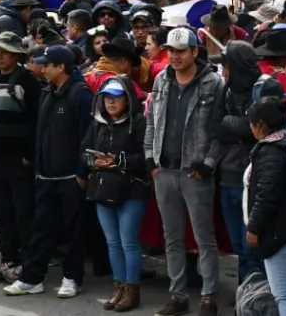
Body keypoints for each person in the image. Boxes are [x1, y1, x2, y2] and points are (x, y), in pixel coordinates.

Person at [144, 27, 225, 316]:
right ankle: (177, 295)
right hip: (164, 171)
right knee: (172, 237)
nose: (175, 56)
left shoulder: (213, 83)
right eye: (171, 51)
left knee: (205, 238)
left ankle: (209, 297)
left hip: (195, 173)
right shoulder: (161, 80)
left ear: (195, 52)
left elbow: (219, 129)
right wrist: (150, 158)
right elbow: (152, 121)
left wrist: (208, 163)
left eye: (181, 51)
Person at [4, 45, 93, 299]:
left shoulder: (81, 94)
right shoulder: (47, 93)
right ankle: (32, 278)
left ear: (61, 67)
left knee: (75, 231)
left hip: (71, 178)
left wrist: (81, 172)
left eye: (48, 64)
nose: (43, 68)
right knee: (41, 229)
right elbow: (40, 134)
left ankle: (72, 277)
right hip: (45, 177)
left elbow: (88, 138)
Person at [82, 77, 149, 312]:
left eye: (116, 97)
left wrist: (118, 161)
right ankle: (118, 286)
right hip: (102, 187)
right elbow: (84, 150)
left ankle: (132, 289)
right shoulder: (98, 122)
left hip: (131, 188)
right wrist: (93, 160)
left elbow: (146, 156)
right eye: (107, 97)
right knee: (112, 242)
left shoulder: (139, 122)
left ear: (127, 99)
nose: (111, 102)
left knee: (128, 242)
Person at [0, 32, 43, 282]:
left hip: (18, 160)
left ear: (17, 55)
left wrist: (28, 155)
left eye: (5, 52)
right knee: (2, 211)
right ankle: (8, 259)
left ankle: (28, 262)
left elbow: (36, 122)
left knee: (23, 212)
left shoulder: (28, 82)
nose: (0, 57)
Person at [212, 41, 271, 283]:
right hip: (228, 176)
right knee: (238, 245)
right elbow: (215, 127)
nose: (223, 73)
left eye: (227, 67)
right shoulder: (225, 91)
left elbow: (263, 129)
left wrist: (234, 124)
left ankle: (258, 296)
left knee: (253, 247)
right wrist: (242, 125)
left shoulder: (266, 88)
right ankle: (245, 293)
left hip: (255, 179)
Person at [245, 96, 286, 316]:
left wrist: (254, 227)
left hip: (277, 229)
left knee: (283, 293)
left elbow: (267, 196)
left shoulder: (272, 151)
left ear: (260, 125)